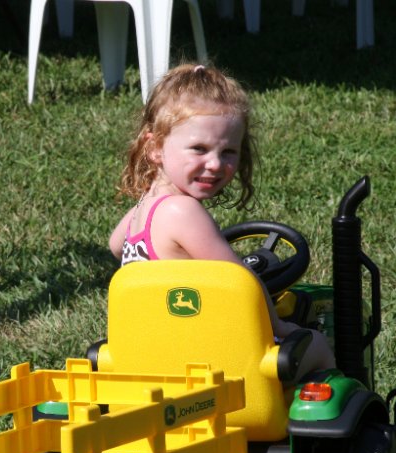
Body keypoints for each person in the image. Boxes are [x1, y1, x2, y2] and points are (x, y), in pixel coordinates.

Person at [109, 63, 335, 375]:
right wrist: (280, 326)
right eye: (199, 149)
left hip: (152, 356)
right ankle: (295, 420)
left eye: (228, 152)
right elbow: (242, 283)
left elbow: (116, 246)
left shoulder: (143, 210)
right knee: (317, 344)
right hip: (211, 364)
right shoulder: (182, 211)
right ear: (155, 147)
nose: (215, 164)